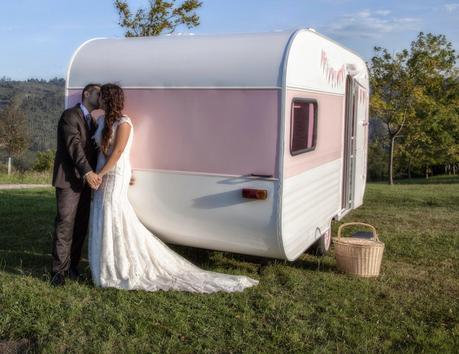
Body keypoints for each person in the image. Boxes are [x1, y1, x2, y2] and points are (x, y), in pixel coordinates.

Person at [88, 84, 259, 292]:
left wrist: (100, 175)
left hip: (114, 174)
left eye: (102, 97)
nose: (99, 100)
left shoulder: (124, 123)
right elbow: (101, 150)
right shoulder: (101, 121)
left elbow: (118, 152)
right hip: (102, 171)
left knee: (113, 212)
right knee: (102, 211)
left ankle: (119, 266)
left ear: (110, 99)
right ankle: (105, 263)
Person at [50, 84, 102, 287]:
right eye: (98, 94)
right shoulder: (70, 115)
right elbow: (74, 147)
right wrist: (88, 172)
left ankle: (72, 266)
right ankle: (58, 271)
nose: (100, 97)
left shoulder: (94, 122)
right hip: (69, 180)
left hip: (86, 183)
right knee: (65, 224)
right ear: (87, 94)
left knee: (80, 225)